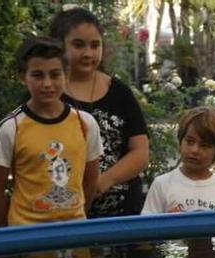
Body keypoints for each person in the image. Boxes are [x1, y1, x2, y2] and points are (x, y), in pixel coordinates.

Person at [0, 36, 102, 258]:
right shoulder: (12, 127)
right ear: (22, 77)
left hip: (76, 237)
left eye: (55, 74)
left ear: (66, 74)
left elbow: (90, 182)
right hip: (28, 241)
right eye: (38, 75)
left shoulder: (85, 124)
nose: (47, 83)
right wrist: (9, 236)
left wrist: (73, 212)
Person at [48, 6, 150, 218]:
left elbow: (140, 153)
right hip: (61, 214)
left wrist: (105, 180)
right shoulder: (47, 94)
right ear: (59, 45)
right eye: (78, 45)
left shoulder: (120, 93)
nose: (88, 53)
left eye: (95, 45)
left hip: (121, 215)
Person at [141, 106, 215, 213]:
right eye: (190, 142)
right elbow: (147, 227)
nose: (195, 150)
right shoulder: (162, 185)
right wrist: (168, 222)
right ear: (180, 141)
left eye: (204, 145)